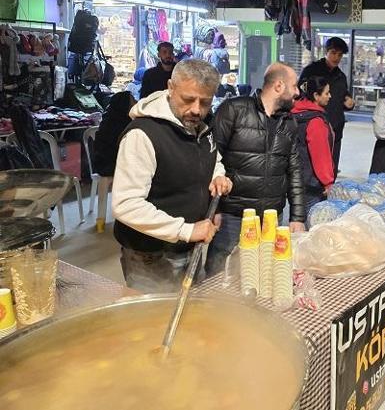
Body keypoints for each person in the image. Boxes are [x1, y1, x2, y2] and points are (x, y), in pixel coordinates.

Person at [111, 59, 232, 292]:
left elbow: (210, 157)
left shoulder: (200, 127)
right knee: (154, 324)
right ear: (170, 87)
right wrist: (186, 230)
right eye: (188, 99)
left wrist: (218, 175)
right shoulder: (143, 135)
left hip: (190, 249)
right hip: (151, 258)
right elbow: (126, 204)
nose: (197, 110)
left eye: (205, 102)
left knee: (190, 318)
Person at [206, 62, 306, 275]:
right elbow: (211, 159)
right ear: (279, 86)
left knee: (262, 276)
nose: (298, 92)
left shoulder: (289, 123)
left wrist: (297, 217)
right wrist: (212, 211)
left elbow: (294, 170)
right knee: (219, 277)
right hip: (233, 218)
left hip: (271, 218)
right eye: (295, 86)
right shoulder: (234, 110)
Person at [299, 37, 354, 175]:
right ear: (326, 51)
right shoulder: (311, 71)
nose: (336, 57)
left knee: (332, 167)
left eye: (340, 55)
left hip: (335, 126)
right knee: (313, 168)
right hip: (314, 125)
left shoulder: (341, 76)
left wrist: (348, 102)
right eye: (333, 53)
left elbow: (344, 96)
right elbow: (300, 95)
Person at [292, 76, 335, 211]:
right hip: (312, 184)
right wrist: (327, 182)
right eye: (327, 93)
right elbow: (320, 156)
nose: (330, 96)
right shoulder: (315, 122)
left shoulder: (297, 113)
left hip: (297, 179)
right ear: (316, 96)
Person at [92, 91, 135, 177]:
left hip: (102, 163)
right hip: (109, 165)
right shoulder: (121, 124)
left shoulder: (109, 119)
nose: (136, 102)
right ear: (125, 105)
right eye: (133, 100)